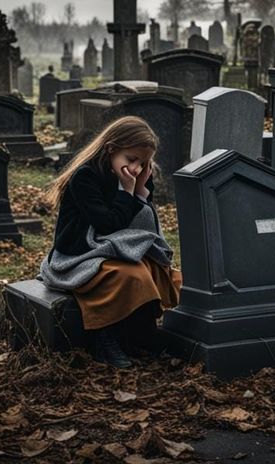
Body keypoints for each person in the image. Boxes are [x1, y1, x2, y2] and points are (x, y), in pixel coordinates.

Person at [38, 115, 181, 368]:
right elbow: (108, 223)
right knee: (130, 274)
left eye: (143, 163)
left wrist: (140, 193)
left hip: (115, 248)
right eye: (132, 159)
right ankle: (102, 337)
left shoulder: (134, 177)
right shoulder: (86, 177)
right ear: (111, 149)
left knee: (156, 270)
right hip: (79, 254)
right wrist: (128, 193)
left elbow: (141, 221)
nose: (137, 168)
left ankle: (140, 332)